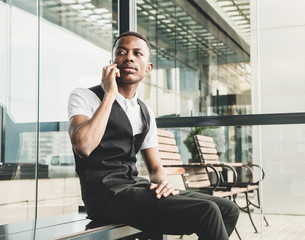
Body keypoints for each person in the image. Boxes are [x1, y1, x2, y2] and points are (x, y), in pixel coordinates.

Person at [67, 31, 239, 240]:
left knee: (228, 209)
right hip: (105, 196)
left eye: (137, 53)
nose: (128, 57)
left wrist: (163, 182)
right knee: (207, 210)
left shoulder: (145, 111)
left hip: (134, 188)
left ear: (148, 68)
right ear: (112, 62)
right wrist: (110, 94)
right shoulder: (85, 96)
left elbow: (155, 168)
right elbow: (83, 146)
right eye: (121, 52)